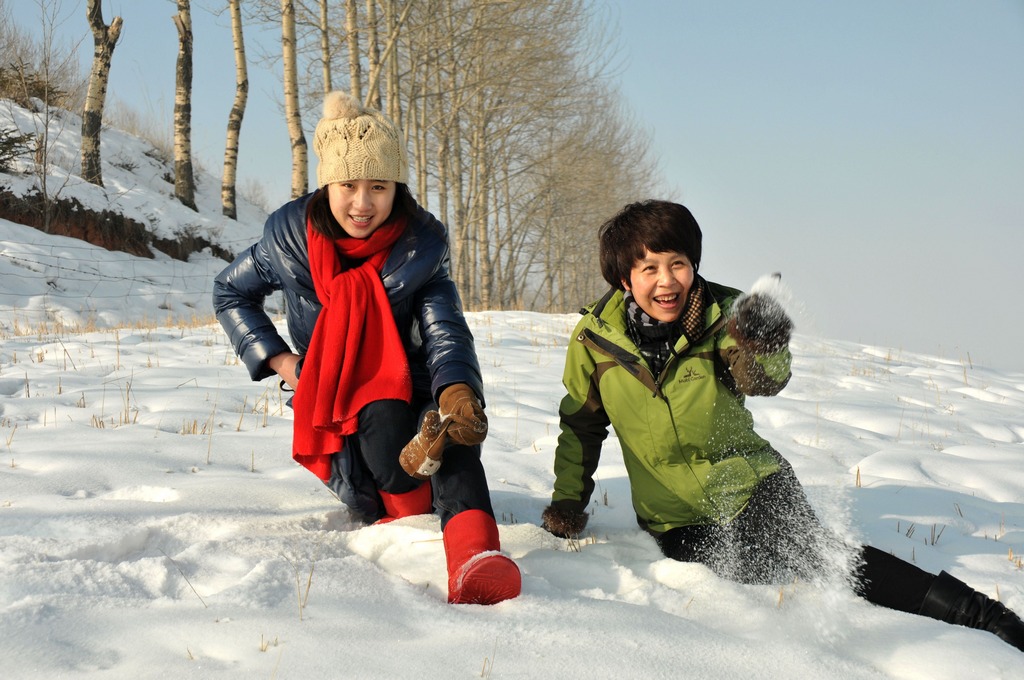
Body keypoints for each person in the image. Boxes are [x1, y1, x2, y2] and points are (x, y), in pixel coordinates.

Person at [541, 199, 1024, 651]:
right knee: (742, 574)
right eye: (649, 268)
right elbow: (581, 426)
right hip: (674, 517)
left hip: (753, 483)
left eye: (678, 264)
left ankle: (979, 615)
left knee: (820, 558)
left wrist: (763, 342)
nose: (667, 281)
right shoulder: (594, 343)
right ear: (625, 279)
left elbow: (763, 381)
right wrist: (568, 503)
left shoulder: (725, 317)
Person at [213, 91, 520, 606]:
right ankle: (414, 507)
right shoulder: (288, 242)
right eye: (348, 185)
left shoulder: (420, 248)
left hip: (417, 385)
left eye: (378, 187)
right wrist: (284, 361)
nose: (362, 203)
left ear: (396, 189)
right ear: (326, 184)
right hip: (344, 400)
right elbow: (230, 292)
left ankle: (474, 559)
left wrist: (458, 388)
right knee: (380, 416)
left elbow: (445, 328)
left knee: (453, 432)